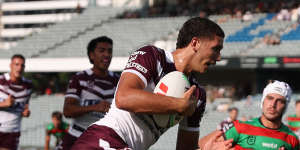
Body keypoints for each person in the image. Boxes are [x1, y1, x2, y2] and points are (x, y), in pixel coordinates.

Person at [71, 17, 225, 150]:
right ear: (195, 43)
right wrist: (178, 105)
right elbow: (124, 98)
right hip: (103, 139)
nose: (219, 57)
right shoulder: (152, 56)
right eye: (216, 49)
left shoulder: (197, 95)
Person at [199, 80, 299, 150]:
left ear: (285, 106)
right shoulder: (238, 127)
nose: (272, 104)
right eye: (270, 98)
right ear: (263, 101)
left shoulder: (292, 139)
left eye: (279, 101)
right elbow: (201, 145)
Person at [60, 36, 119, 150]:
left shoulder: (119, 81)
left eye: (109, 51)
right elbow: (67, 111)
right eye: (102, 51)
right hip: (77, 135)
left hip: (104, 139)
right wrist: (94, 107)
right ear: (91, 55)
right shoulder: (79, 78)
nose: (107, 55)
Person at [0, 54, 33, 150]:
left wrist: (26, 112)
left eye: (22, 65)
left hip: (12, 131)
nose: (19, 68)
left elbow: (25, 107)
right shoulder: (1, 81)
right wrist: (3, 104)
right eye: (16, 64)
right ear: (10, 65)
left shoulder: (28, 85)